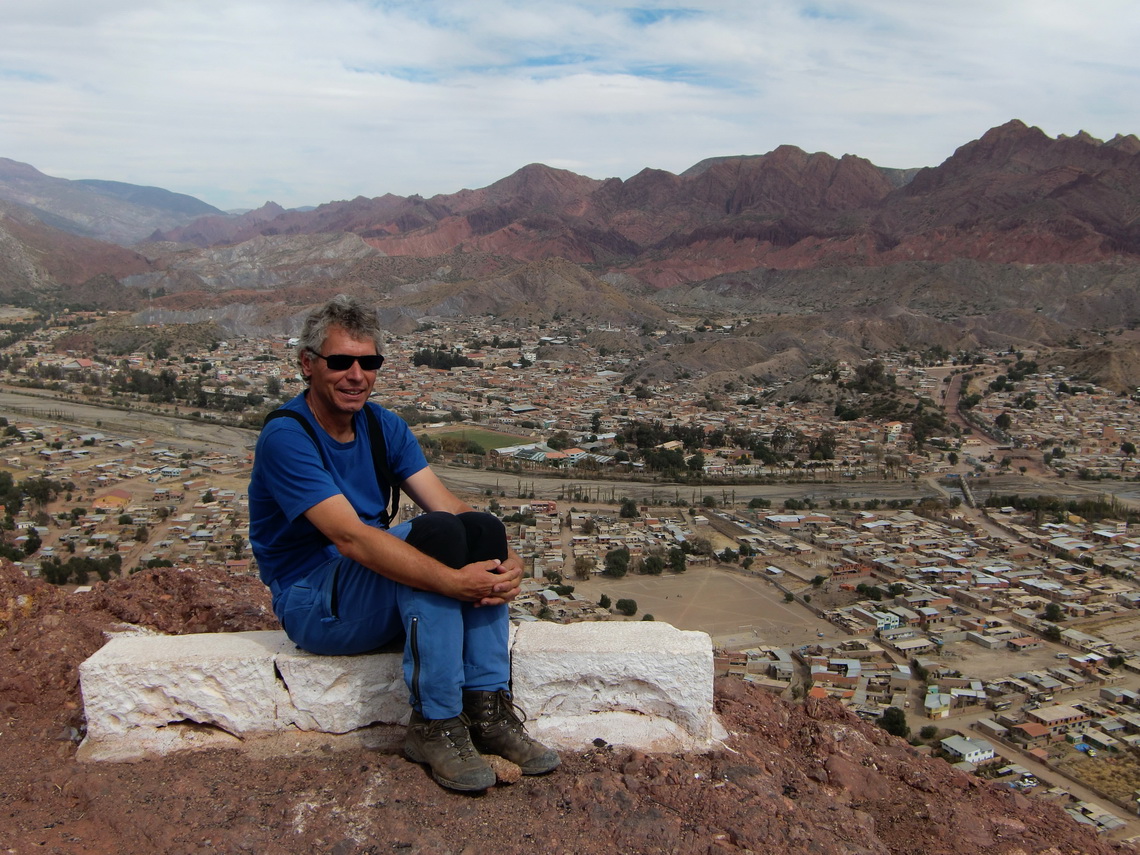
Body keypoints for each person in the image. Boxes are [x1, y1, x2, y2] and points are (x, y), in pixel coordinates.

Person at [249, 295, 559, 791]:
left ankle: (486, 711)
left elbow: (450, 506)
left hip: (372, 589)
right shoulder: (289, 437)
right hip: (315, 603)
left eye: (368, 362)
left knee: (481, 527)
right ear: (307, 365)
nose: (356, 375)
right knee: (436, 538)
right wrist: (453, 582)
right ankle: (434, 723)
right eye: (341, 362)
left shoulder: (383, 426)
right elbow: (350, 538)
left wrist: (507, 557)